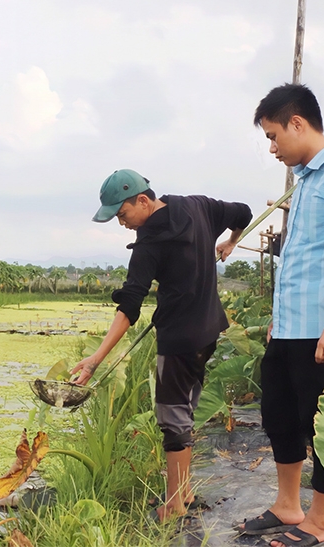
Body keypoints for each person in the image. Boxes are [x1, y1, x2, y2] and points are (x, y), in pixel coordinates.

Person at [238, 84, 324, 547]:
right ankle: (287, 505)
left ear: (298, 123)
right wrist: (278, 323)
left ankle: (319, 522)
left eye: (274, 136)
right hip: (291, 329)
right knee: (279, 416)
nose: (273, 148)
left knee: (323, 428)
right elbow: (301, 259)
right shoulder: (307, 182)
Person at [71, 169, 252, 523]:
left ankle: (174, 505)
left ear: (142, 200)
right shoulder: (198, 207)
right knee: (184, 410)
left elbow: (129, 307)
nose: (122, 224)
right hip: (209, 333)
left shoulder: (148, 243)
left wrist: (95, 358)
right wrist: (232, 239)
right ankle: (182, 491)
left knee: (172, 418)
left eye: (122, 215)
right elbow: (243, 212)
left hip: (179, 339)